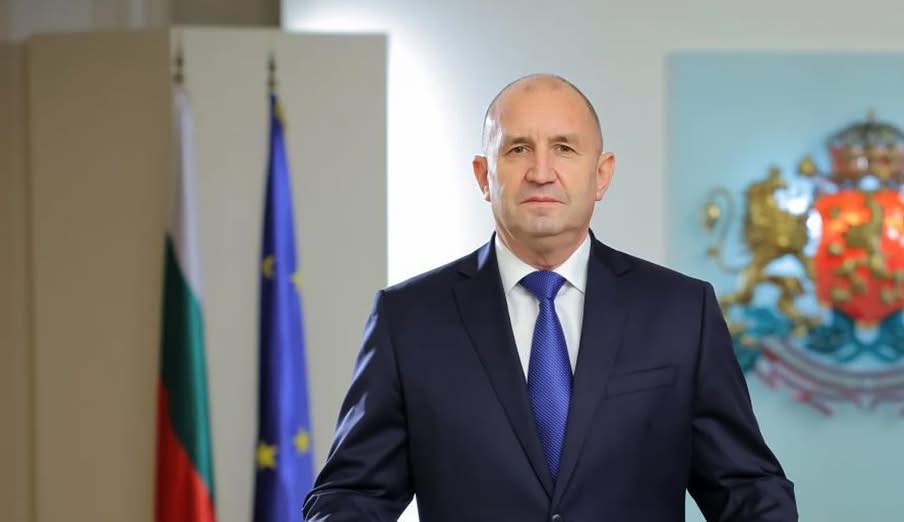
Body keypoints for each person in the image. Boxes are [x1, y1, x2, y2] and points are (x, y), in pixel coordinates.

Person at [304, 74, 796, 521]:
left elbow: (746, 489)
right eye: (518, 149)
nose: (541, 172)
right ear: (483, 175)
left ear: (601, 174)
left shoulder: (681, 312)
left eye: (564, 148)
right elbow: (351, 497)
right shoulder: (409, 320)